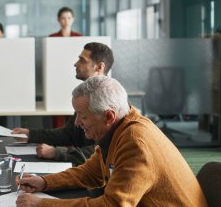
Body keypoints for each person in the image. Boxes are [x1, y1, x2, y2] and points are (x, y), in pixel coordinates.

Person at [16, 76, 207, 207]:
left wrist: (42, 203)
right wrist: (44, 182)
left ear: (108, 116)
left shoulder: (135, 143)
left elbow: (113, 205)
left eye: (82, 116)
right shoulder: (118, 128)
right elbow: (92, 172)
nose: (76, 123)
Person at [12, 42, 113, 165]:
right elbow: (69, 133)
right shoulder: (87, 95)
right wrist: (30, 134)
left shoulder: (108, 101)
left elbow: (103, 152)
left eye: (82, 60)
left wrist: (57, 152)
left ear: (99, 67)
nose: (75, 64)